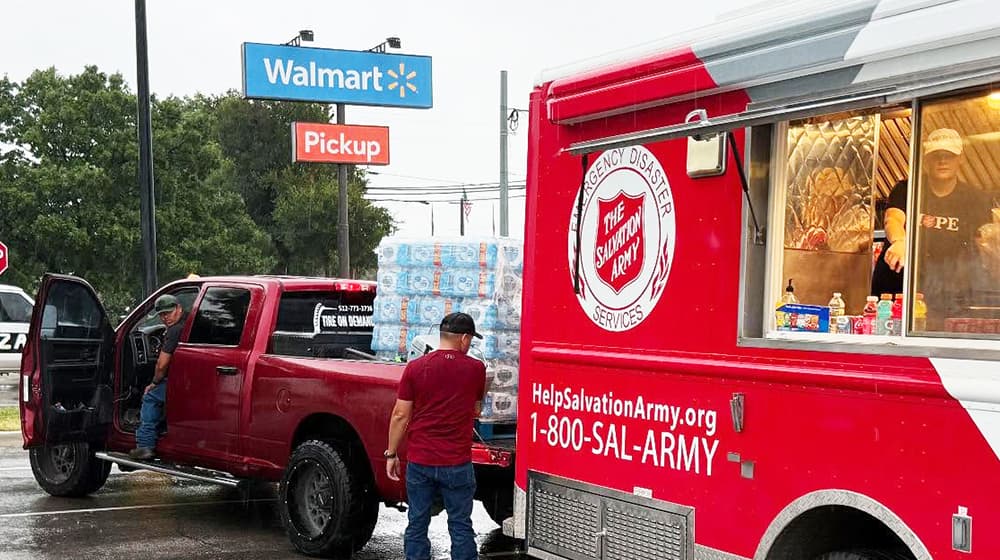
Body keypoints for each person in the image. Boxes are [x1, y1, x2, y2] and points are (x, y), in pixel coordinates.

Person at [385, 312, 487, 560]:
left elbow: (400, 414)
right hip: (457, 463)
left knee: (417, 524)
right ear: (464, 338)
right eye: (470, 340)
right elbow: (476, 409)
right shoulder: (476, 369)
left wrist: (391, 453)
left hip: (421, 462)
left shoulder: (415, 368)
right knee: (461, 526)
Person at [869, 127, 993, 327]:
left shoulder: (974, 198)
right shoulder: (906, 189)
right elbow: (893, 219)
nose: (942, 161)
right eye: (936, 156)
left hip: (948, 294)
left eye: (949, 156)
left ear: (960, 159)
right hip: (898, 289)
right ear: (926, 160)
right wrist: (900, 242)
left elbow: (984, 240)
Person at [129, 294, 186, 460]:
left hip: (179, 383)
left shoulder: (175, 330)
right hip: (189, 379)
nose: (165, 318)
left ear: (179, 308)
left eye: (168, 313)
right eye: (161, 315)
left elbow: (161, 365)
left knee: (150, 396)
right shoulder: (189, 322)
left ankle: (145, 445)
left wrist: (154, 382)